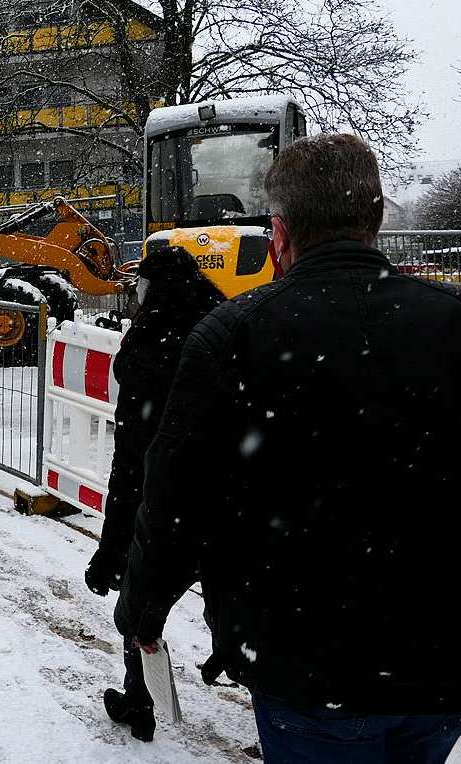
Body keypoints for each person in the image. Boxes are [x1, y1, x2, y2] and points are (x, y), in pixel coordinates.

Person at [116, 134, 461, 762]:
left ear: (278, 230)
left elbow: (175, 499)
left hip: (302, 662)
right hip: (439, 664)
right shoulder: (450, 323)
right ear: (376, 219)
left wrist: (142, 607)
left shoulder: (234, 334)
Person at [84, 246, 225, 742]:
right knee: (230, 601)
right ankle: (252, 676)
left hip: (165, 500)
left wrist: (109, 548)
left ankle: (140, 701)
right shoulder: (225, 328)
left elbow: (131, 460)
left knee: (141, 601)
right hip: (230, 498)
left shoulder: (147, 348)